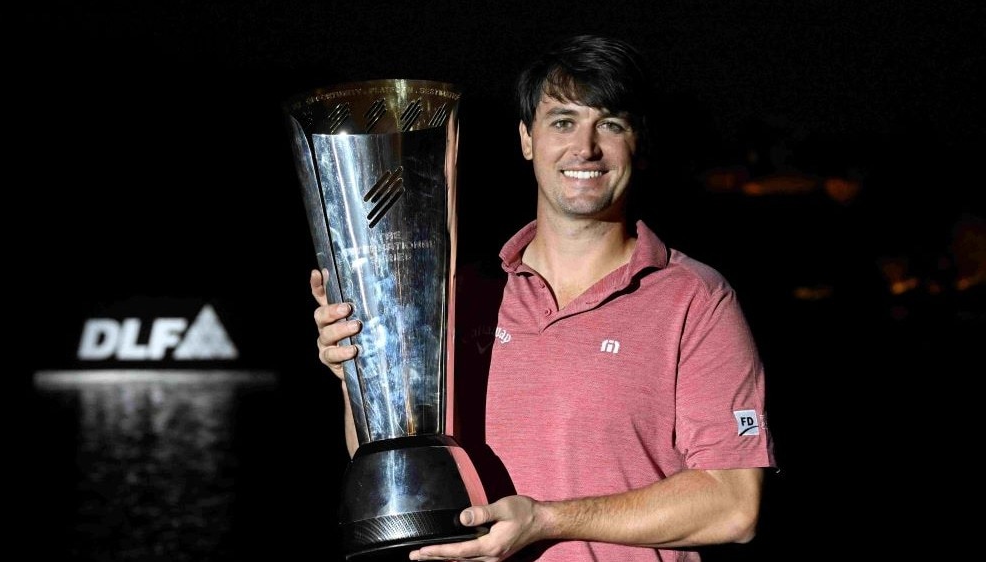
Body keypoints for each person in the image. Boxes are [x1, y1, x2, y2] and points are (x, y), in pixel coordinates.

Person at [310, 34, 778, 562]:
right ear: (527, 139)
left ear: (638, 143)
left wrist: (546, 520)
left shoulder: (695, 300)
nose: (585, 148)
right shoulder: (461, 297)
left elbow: (734, 506)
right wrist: (362, 376)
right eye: (562, 122)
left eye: (611, 124)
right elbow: (398, 473)